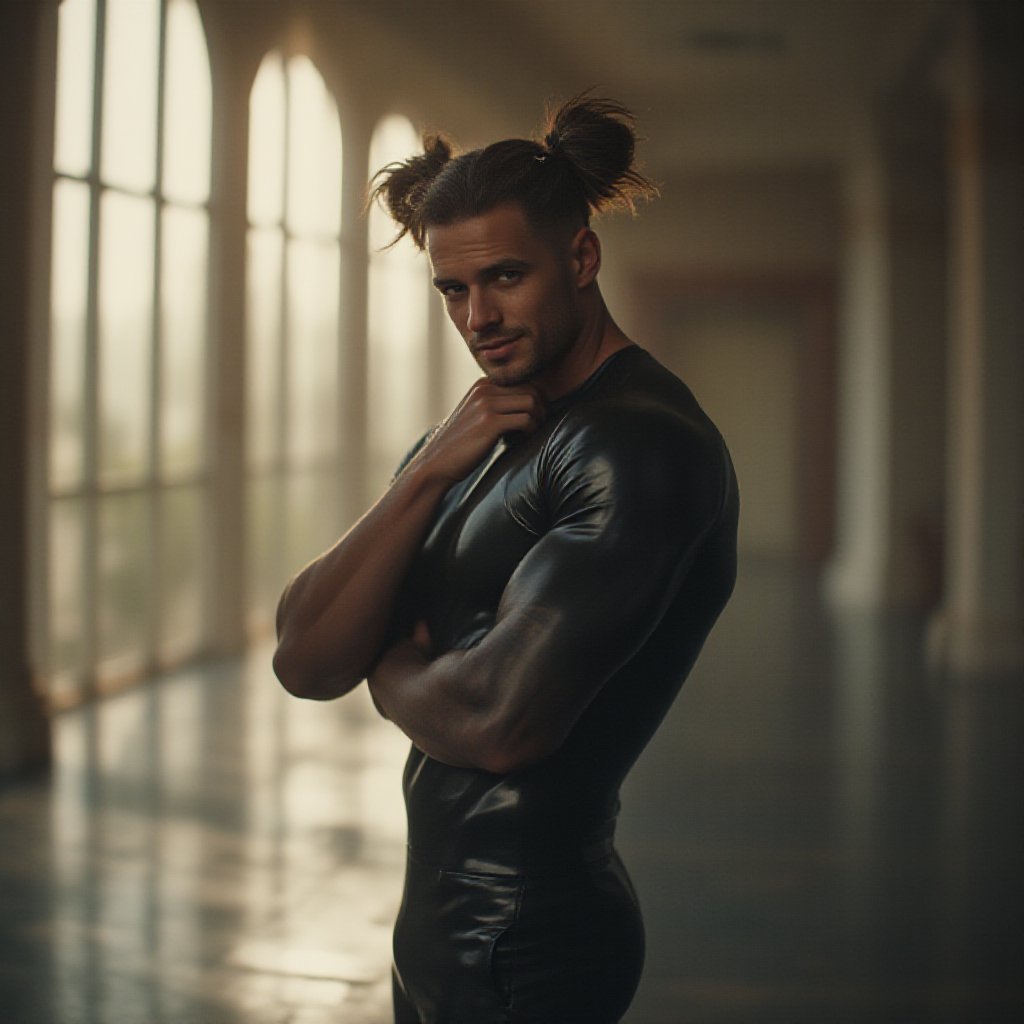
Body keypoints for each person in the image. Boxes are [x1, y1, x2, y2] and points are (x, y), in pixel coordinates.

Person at [273, 94, 739, 1024]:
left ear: (581, 258)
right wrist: (425, 475)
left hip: (530, 934)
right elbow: (304, 654)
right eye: (452, 289)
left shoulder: (636, 445)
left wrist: (395, 668)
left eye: (506, 278)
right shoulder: (486, 424)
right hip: (444, 918)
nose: (477, 316)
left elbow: (497, 724)